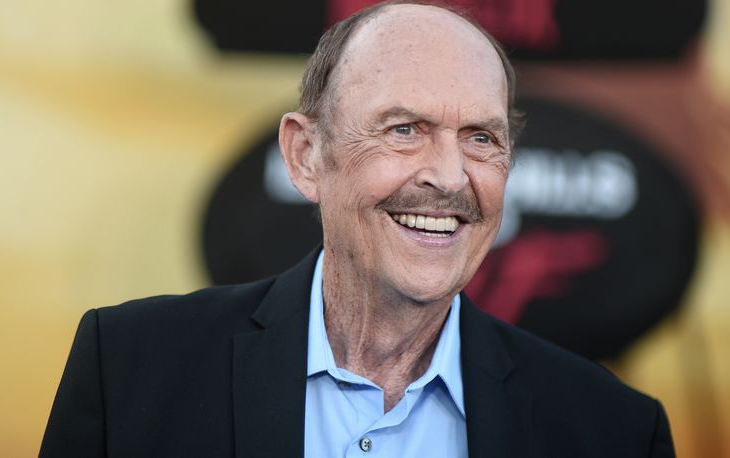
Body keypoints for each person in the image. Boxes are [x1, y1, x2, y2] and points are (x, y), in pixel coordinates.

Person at [40, 1, 675, 457]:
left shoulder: (612, 431)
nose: (450, 177)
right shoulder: (129, 370)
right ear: (306, 156)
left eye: (481, 138)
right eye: (405, 130)